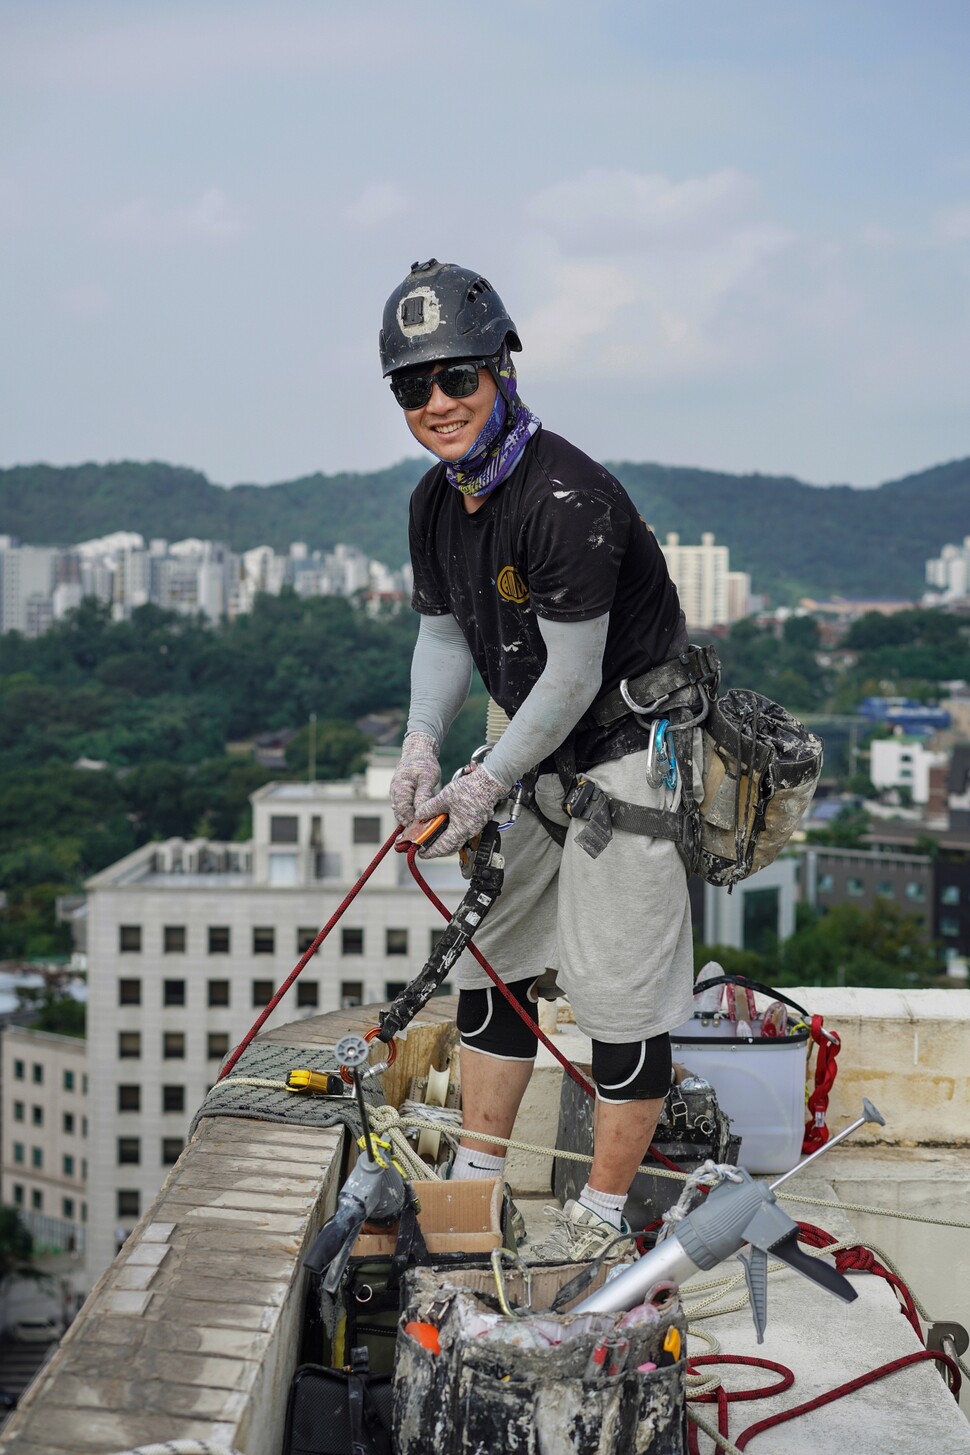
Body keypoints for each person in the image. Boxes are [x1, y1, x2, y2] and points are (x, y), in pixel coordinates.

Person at [381, 259, 706, 1261]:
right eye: (411, 387)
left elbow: (570, 679)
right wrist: (423, 745)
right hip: (532, 757)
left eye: (457, 379)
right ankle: (477, 1184)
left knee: (618, 1000)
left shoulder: (565, 497)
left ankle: (602, 1218)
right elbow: (443, 639)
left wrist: (480, 786)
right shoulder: (437, 502)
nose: (436, 403)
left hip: (621, 758)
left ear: (503, 371)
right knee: (494, 962)